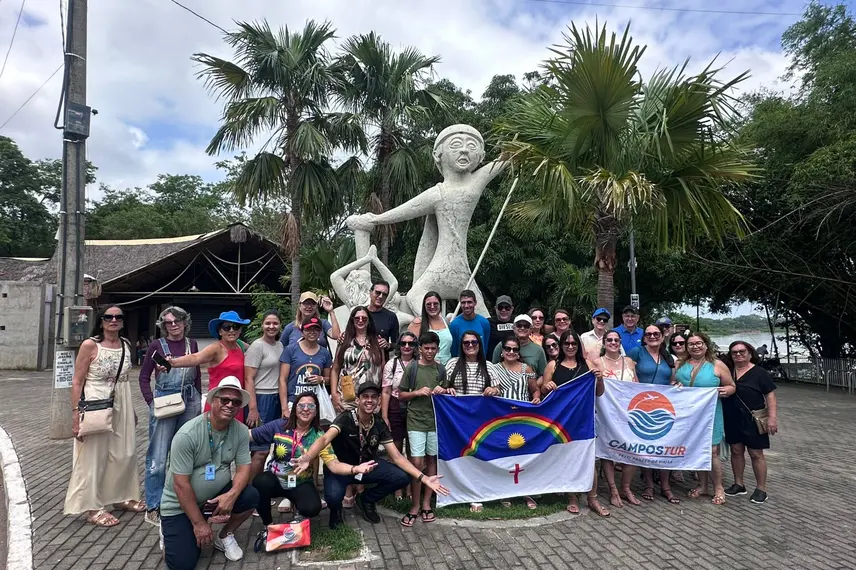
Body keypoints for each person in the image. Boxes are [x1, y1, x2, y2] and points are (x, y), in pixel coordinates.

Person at [346, 124, 508, 317]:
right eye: (456, 144)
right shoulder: (437, 193)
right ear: (438, 154)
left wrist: (373, 219)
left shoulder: (475, 181)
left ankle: (440, 326)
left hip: (457, 271)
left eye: (472, 146)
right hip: (445, 270)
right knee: (419, 296)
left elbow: (505, 159)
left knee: (418, 296)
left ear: (480, 156)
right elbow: (406, 210)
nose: (464, 150)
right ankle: (441, 327)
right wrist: (375, 219)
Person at [295, 383, 449, 529]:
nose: (369, 400)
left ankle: (366, 499)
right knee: (333, 497)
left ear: (378, 401)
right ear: (357, 400)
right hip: (341, 469)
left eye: (374, 397)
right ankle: (336, 512)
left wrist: (424, 478)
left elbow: (397, 456)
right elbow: (324, 439)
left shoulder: (379, 422)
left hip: (367, 467)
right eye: (365, 396)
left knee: (402, 477)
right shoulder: (346, 418)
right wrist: (308, 457)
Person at [159, 377, 257, 568]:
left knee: (251, 495)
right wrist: (199, 524)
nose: (230, 405)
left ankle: (224, 535)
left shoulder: (241, 431)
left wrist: (231, 495)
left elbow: (244, 468)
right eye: (225, 400)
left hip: (213, 499)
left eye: (236, 402)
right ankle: (172, 530)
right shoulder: (187, 434)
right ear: (213, 401)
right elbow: (180, 485)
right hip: (180, 505)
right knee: (183, 564)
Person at [250, 392, 378, 534]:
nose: (306, 409)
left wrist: (356, 469)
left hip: (300, 482)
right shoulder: (279, 425)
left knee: (312, 508)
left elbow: (334, 465)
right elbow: (250, 435)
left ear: (316, 411)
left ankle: (299, 516)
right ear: (295, 408)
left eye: (311, 406)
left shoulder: (319, 436)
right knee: (260, 482)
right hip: (276, 479)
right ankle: (268, 524)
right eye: (301, 405)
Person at [65, 305, 144, 527]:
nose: (113, 320)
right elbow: (77, 381)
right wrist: (75, 414)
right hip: (95, 404)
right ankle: (92, 507)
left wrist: (131, 410)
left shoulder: (125, 344)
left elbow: (124, 379)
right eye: (108, 317)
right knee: (94, 456)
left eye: (118, 317)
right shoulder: (90, 345)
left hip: (122, 403)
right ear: (101, 321)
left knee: (124, 452)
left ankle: (122, 496)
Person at [140, 306, 201, 526]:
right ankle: (154, 506)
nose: (173, 325)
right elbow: (144, 377)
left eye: (177, 321)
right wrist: (151, 402)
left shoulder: (192, 344)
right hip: (165, 399)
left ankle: (182, 501)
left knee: (187, 452)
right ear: (163, 325)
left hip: (190, 399)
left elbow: (197, 374)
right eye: (168, 322)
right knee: (158, 456)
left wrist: (199, 399)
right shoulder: (157, 345)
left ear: (185, 322)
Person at [539, 329, 605, 515]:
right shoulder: (553, 365)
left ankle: (592, 498)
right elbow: (543, 392)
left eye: (573, 343)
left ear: (578, 345)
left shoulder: (588, 364)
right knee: (568, 458)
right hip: (561, 421)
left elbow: (599, 392)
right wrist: (546, 386)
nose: (570, 346)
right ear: (561, 346)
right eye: (566, 343)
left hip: (584, 419)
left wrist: (600, 379)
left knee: (588, 459)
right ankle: (572, 497)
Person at [675, 332, 736, 505]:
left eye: (699, 343)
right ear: (687, 347)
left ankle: (718, 487)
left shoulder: (717, 365)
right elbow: (673, 383)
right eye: (691, 344)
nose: (695, 346)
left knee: (712, 451)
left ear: (706, 345)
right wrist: (675, 386)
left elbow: (731, 386)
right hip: (688, 415)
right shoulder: (680, 364)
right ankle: (703, 485)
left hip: (710, 414)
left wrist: (726, 391)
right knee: (696, 449)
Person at [398, 332, 451, 526]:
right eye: (426, 348)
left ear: (437, 349)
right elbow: (400, 394)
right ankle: (415, 505)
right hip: (415, 421)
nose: (429, 351)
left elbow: (447, 392)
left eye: (433, 348)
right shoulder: (412, 368)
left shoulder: (441, 369)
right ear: (420, 349)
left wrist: (442, 390)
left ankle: (427, 503)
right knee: (416, 462)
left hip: (434, 422)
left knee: (431, 461)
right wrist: (416, 393)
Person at [167, 310, 250, 423]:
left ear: (240, 330)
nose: (231, 330)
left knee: (235, 433)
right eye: (226, 327)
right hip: (220, 403)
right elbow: (195, 358)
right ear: (220, 331)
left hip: (236, 403)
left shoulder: (240, 346)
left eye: (236, 327)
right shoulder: (217, 348)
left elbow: (259, 351)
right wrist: (172, 363)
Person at [721, 341, 779, 505]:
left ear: (750, 353)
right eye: (734, 352)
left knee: (756, 453)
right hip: (731, 417)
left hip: (753, 418)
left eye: (742, 351)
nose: (738, 355)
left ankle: (761, 489)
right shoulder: (728, 371)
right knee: (736, 451)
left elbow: (770, 395)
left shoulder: (759, 373)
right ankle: (739, 484)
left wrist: (772, 418)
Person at [628, 324, 680, 505]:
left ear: (662, 336)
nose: (652, 336)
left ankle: (665, 486)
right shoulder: (637, 352)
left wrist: (676, 385)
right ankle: (649, 484)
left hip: (663, 406)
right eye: (648, 334)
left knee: (664, 445)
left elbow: (672, 379)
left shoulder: (668, 356)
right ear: (644, 337)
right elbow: (629, 373)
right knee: (646, 444)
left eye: (656, 334)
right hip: (642, 404)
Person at [491, 336, 539, 509]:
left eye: (515, 349)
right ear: (502, 351)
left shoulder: (527, 369)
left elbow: (535, 390)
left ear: (519, 352)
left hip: (523, 418)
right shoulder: (494, 369)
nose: (511, 352)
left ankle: (526, 492)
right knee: (504, 455)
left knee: (524, 455)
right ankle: (506, 492)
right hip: (501, 419)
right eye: (508, 348)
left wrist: (536, 398)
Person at [595, 330, 639, 508]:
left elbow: (637, 384)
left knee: (632, 450)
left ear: (620, 342)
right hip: (606, 413)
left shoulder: (629, 362)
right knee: (608, 450)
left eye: (616, 340)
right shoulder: (597, 362)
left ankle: (626, 488)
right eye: (609, 340)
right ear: (604, 343)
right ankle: (613, 489)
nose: (613, 343)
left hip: (628, 413)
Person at [243, 310, 285, 479]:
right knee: (260, 450)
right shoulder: (257, 346)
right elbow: (248, 378)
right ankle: (250, 488)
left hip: (276, 397)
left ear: (280, 325)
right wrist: (253, 408)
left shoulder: (279, 345)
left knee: (271, 447)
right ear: (262, 325)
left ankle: (261, 485)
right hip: (261, 398)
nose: (271, 326)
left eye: (275, 323)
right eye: (268, 323)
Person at [381, 331, 418, 500]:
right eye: (403, 343)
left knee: (412, 449)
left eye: (411, 343)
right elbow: (386, 391)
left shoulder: (419, 363)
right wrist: (385, 416)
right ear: (399, 345)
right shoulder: (392, 364)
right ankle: (396, 487)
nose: (407, 347)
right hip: (395, 406)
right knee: (394, 448)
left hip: (415, 406)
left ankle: (410, 488)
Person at [331, 306, 384, 414]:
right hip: (347, 397)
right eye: (357, 318)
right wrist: (334, 394)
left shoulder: (377, 341)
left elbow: (383, 370)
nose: (360, 320)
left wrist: (382, 395)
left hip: (371, 398)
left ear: (369, 321)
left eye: (364, 318)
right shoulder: (344, 340)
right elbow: (335, 369)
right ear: (352, 320)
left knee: (370, 424)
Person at [278, 317, 332, 418]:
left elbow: (329, 379)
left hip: (316, 402)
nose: (312, 332)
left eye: (316, 329)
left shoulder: (325, 353)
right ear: (302, 332)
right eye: (308, 329)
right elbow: (282, 380)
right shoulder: (290, 350)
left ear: (320, 332)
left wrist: (321, 379)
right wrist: (284, 408)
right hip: (294, 401)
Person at [491, 315, 548, 381]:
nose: (522, 328)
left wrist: (534, 385)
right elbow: (493, 370)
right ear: (513, 328)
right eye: (519, 325)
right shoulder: (502, 345)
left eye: (526, 326)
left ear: (531, 329)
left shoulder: (538, 350)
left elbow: (543, 375)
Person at [408, 290, 452, 365]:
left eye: (435, 304)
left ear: (440, 305)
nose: (432, 306)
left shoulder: (446, 321)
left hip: (447, 367)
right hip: (426, 367)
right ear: (424, 306)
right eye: (428, 304)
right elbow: (409, 347)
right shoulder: (418, 322)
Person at [449, 289, 491, 357]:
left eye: (469, 302)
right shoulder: (454, 325)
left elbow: (485, 346)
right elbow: (454, 349)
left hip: (480, 361)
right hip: (461, 361)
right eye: (463, 302)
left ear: (475, 303)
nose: (466, 306)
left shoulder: (484, 323)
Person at [367, 280, 400, 353]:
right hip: (359, 357)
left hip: (381, 357)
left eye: (384, 294)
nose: (380, 296)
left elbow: (397, 343)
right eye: (378, 292)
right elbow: (350, 335)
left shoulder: (391, 316)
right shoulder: (360, 313)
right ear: (370, 293)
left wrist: (388, 345)